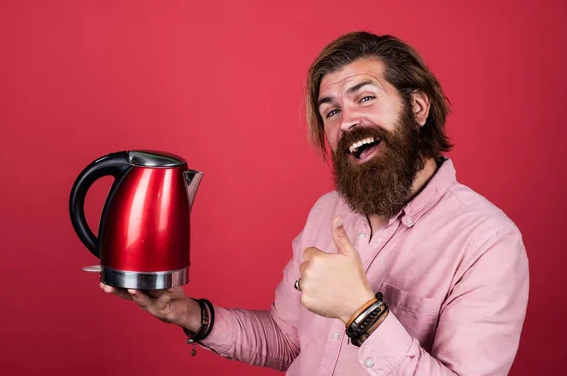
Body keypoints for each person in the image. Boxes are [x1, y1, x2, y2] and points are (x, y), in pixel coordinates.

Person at [100, 31, 530, 375]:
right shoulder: (328, 211)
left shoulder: (487, 242)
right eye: (331, 111)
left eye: (365, 98)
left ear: (417, 107)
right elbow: (288, 342)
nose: (347, 121)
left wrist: (361, 314)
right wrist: (186, 312)